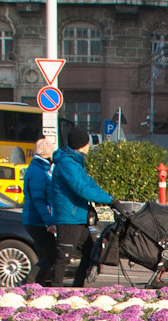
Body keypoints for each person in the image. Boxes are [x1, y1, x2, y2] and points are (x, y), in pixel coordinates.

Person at [47, 121, 116, 286]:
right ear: (81, 145)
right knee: (64, 255)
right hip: (68, 216)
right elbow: (81, 188)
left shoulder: (75, 162)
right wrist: (108, 200)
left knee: (90, 251)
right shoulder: (67, 164)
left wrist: (110, 199)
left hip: (77, 215)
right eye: (87, 143)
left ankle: (77, 287)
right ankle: (54, 290)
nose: (89, 146)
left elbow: (89, 183)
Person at [21, 137, 64, 285]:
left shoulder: (39, 169)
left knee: (45, 254)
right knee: (52, 255)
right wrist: (49, 222)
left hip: (35, 219)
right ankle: (29, 282)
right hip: (36, 221)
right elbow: (38, 200)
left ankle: (37, 285)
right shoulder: (38, 172)